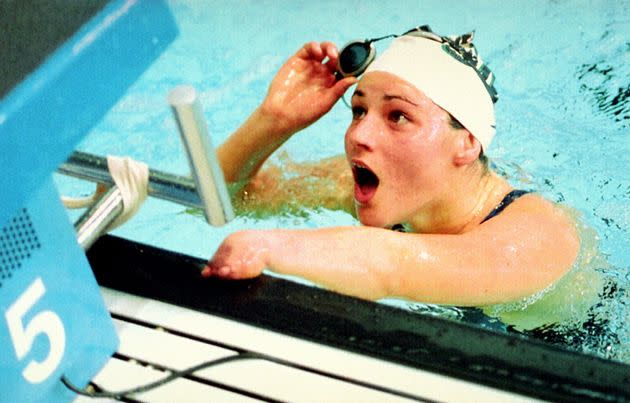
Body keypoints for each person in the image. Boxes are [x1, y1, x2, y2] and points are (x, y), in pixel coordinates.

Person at [203, 26, 579, 306]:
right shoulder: (389, 188)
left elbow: (390, 264)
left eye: (398, 116)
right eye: (359, 110)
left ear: (466, 143)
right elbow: (225, 201)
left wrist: (266, 247)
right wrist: (272, 122)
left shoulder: (536, 234)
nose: (358, 135)